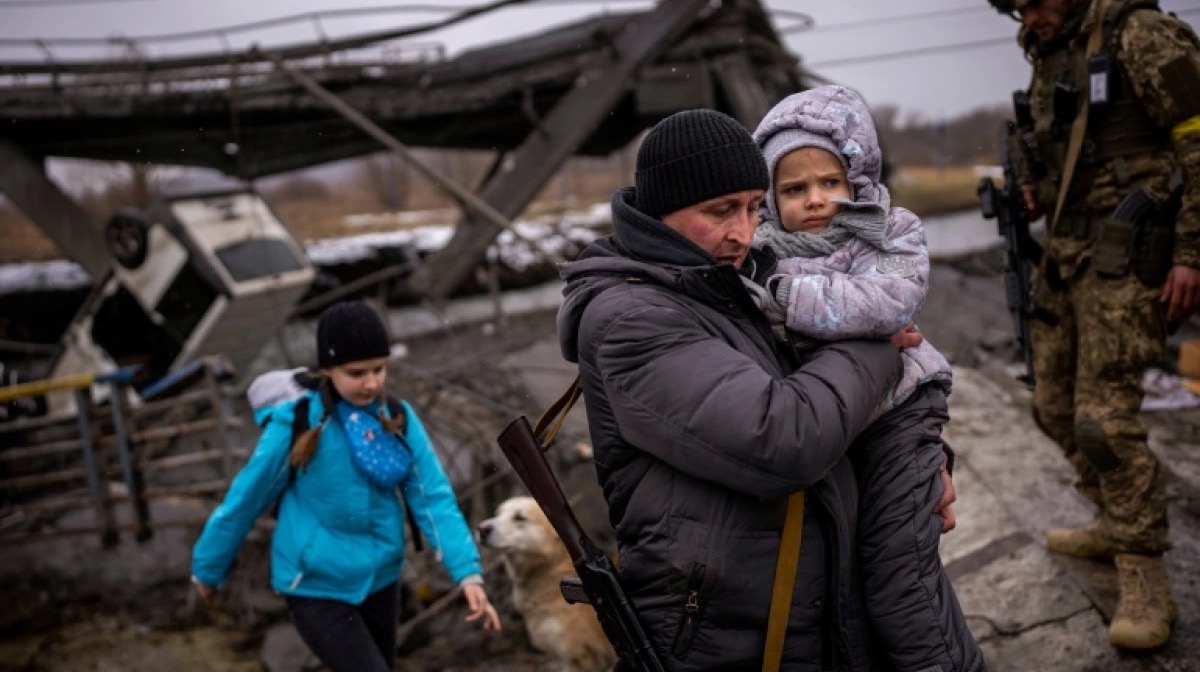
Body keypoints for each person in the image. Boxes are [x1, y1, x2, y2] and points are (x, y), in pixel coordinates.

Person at [555, 107, 955, 670]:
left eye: (753, 208)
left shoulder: (729, 280)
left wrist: (914, 461)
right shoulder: (631, 318)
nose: (743, 232)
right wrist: (877, 339)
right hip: (728, 639)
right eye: (720, 211)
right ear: (661, 212)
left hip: (802, 616)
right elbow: (785, 437)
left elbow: (831, 398)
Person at [747, 84, 984, 671]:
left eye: (829, 182)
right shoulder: (761, 251)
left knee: (900, 568)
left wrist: (787, 301)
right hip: (839, 424)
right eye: (794, 189)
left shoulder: (889, 229)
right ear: (770, 198)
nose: (816, 200)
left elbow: (887, 303)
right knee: (853, 575)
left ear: (856, 176)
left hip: (902, 414)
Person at [987, 0, 1200, 650]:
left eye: (1036, 2)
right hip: (1067, 254)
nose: (1028, 15)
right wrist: (1033, 187)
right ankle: (1114, 515)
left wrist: (1192, 253)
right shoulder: (1048, 50)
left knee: (1101, 418)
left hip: (1128, 254)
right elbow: (1060, 153)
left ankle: (1143, 574)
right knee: (1051, 403)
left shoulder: (1141, 34)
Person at [191, 300, 500, 671]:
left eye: (379, 369)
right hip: (315, 585)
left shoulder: (397, 418)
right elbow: (245, 499)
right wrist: (208, 569)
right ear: (328, 369)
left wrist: (467, 572)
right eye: (357, 373)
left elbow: (432, 498)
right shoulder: (298, 423)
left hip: (381, 580)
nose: (372, 383)